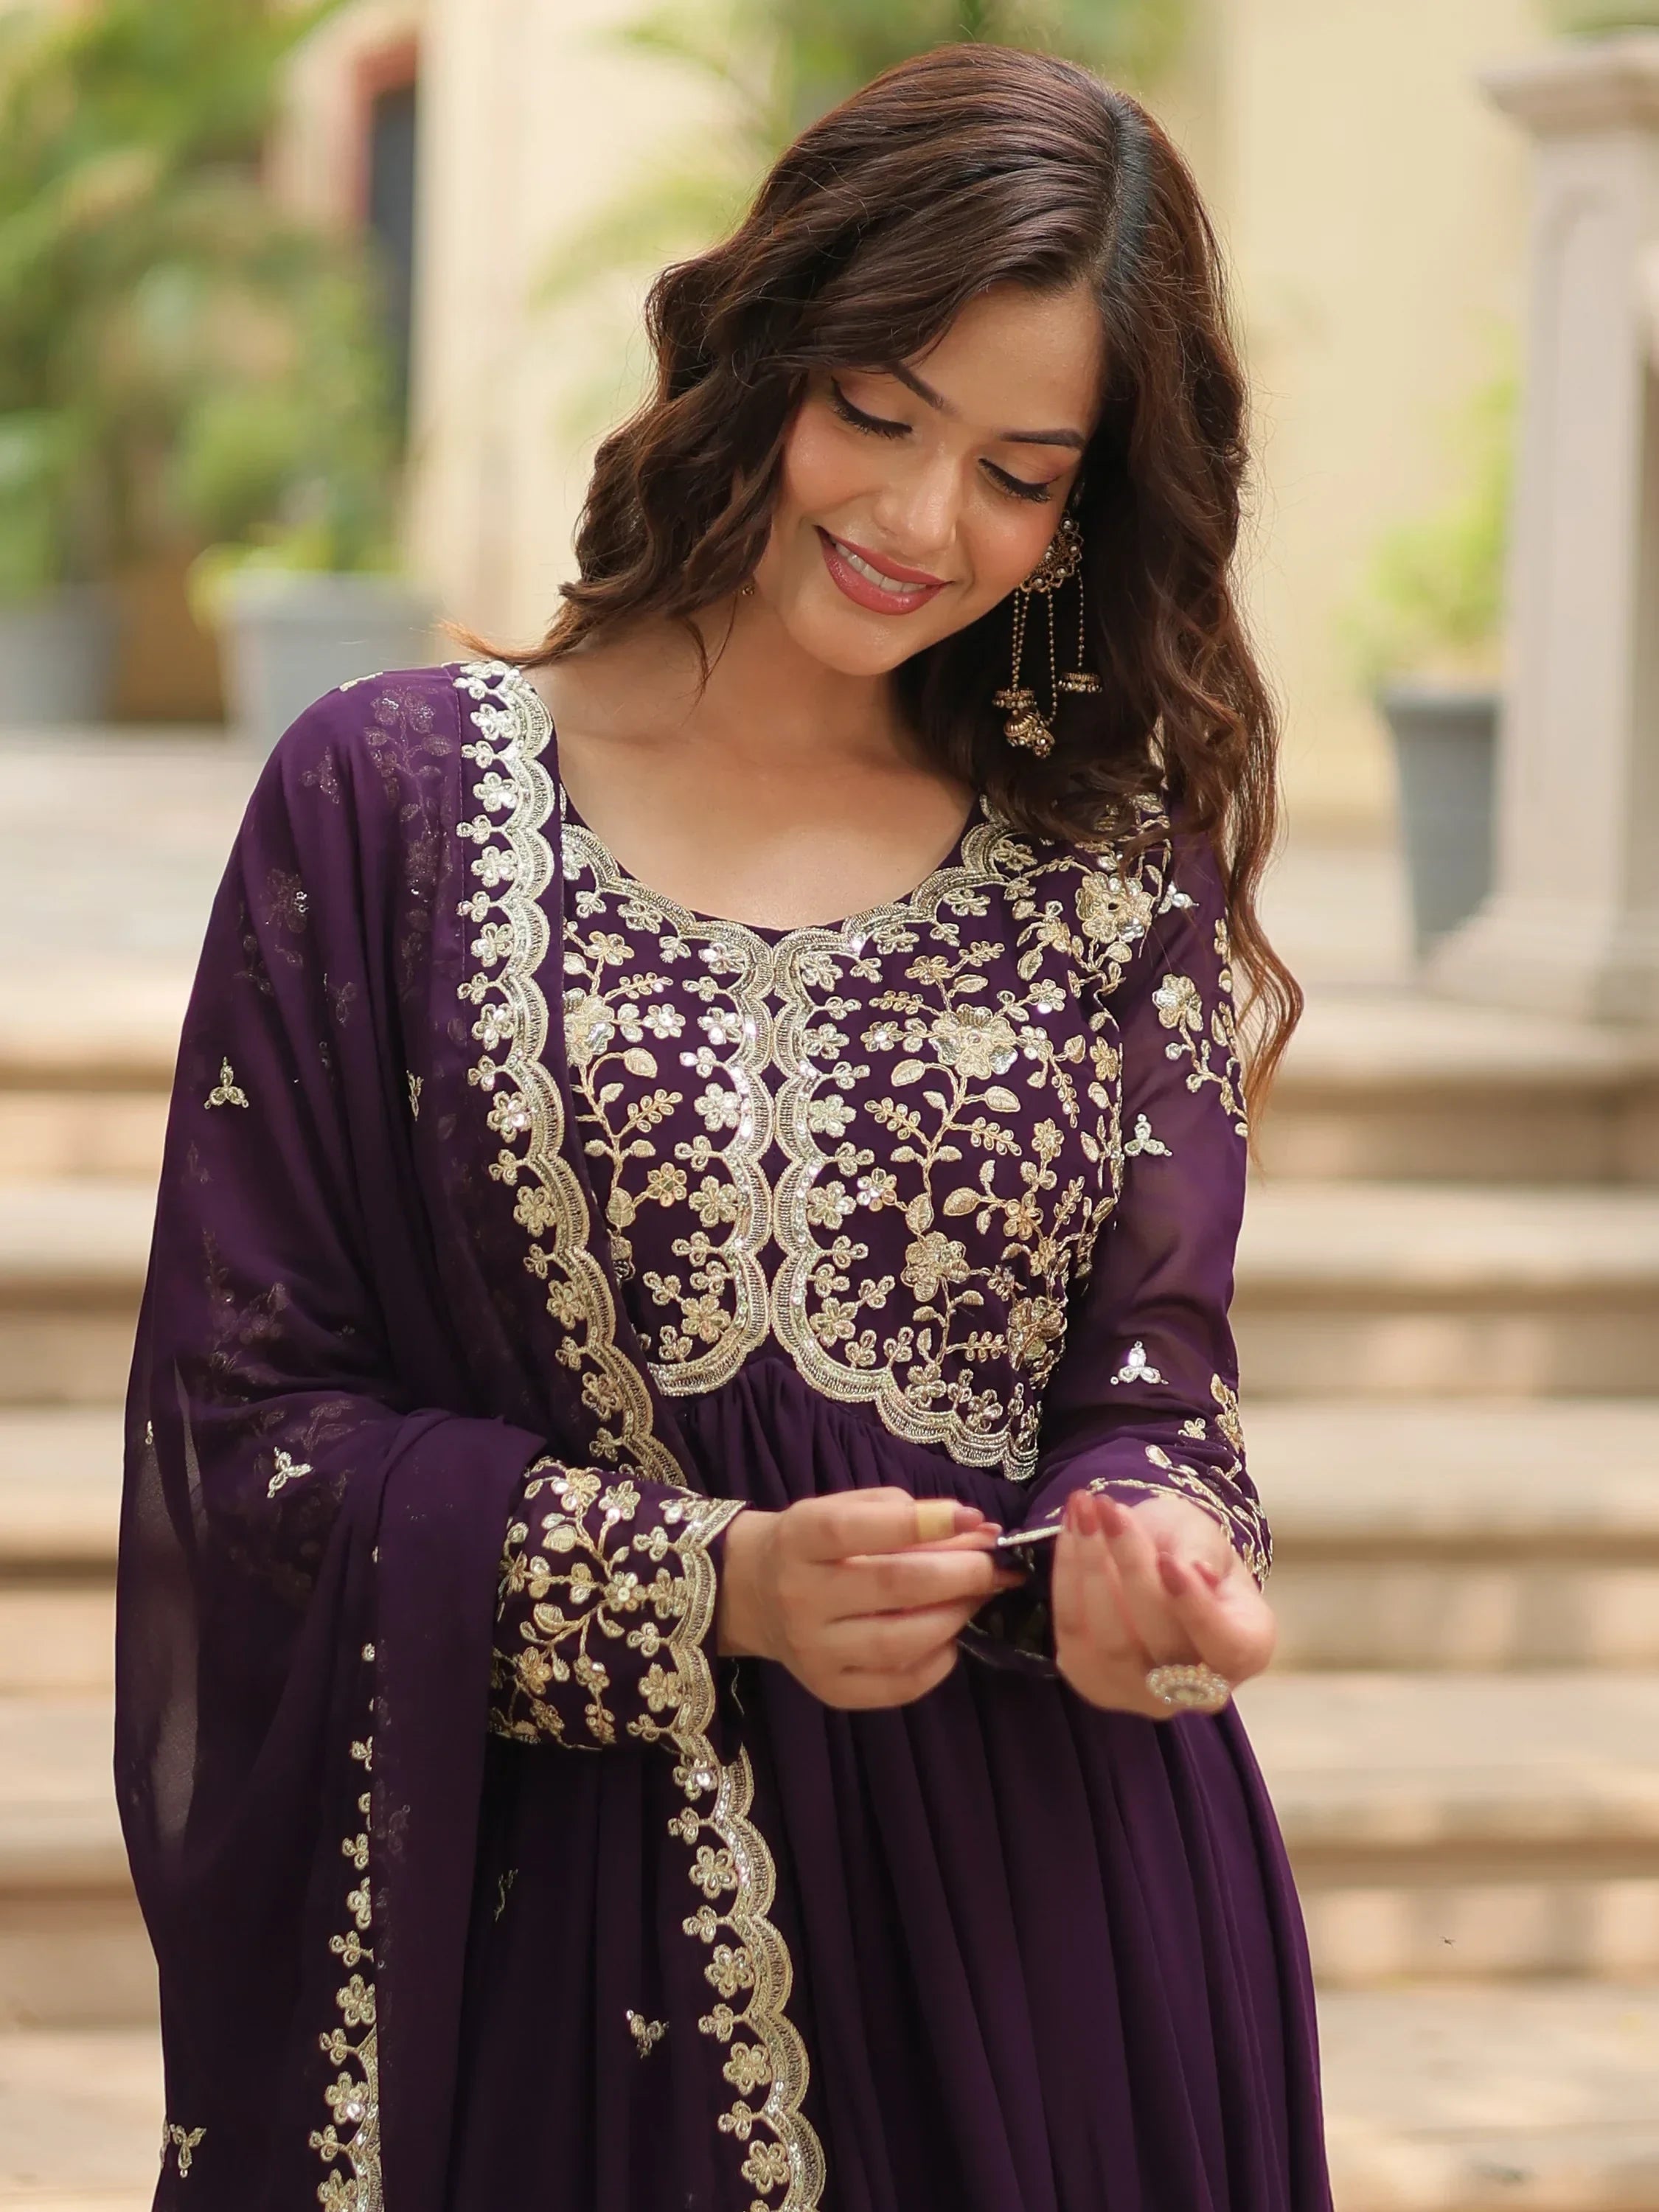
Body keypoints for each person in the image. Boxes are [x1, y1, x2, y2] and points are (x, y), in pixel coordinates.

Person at [117, 41, 1327, 2212]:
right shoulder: (393, 801)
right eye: (875, 412)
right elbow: (252, 1432)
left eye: (1018, 470)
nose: (918, 520)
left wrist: (1156, 1545)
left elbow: (1152, 1380)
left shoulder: (1100, 864)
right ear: (761, 354)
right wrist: (707, 1589)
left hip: (1053, 1948)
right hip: (570, 1951)